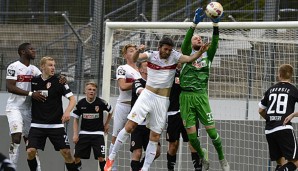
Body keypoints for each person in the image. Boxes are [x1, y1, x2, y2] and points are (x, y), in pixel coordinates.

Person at [104, 36, 210, 171]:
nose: (168, 52)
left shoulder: (174, 56)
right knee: (129, 126)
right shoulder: (151, 55)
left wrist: (200, 52)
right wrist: (138, 51)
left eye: (170, 50)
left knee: (154, 136)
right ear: (159, 47)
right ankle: (111, 157)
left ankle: (145, 168)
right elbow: (136, 58)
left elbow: (189, 59)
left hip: (162, 101)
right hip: (147, 96)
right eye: (165, 49)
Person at [179, 8, 230, 170]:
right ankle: (202, 154)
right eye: (196, 38)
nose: (199, 39)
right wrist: (194, 25)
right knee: (192, 137)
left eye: (200, 38)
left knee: (212, 133)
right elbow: (186, 42)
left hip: (201, 96)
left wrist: (216, 25)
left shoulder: (208, 55)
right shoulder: (186, 54)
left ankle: (222, 159)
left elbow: (215, 41)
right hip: (186, 97)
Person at [26, 56, 78, 171]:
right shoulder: (34, 81)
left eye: (54, 65)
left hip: (56, 125)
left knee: (67, 152)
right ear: (42, 67)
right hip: (37, 124)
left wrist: (67, 112)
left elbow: (72, 99)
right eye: (50, 65)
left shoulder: (59, 81)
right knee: (30, 151)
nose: (53, 68)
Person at [5, 43, 43, 170]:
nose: (34, 50)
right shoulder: (13, 66)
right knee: (16, 137)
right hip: (14, 108)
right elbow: (10, 87)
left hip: (28, 110)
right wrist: (31, 93)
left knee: (30, 142)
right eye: (31, 49)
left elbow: (46, 80)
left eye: (34, 48)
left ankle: (37, 168)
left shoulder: (34, 70)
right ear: (22, 52)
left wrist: (60, 80)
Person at [108, 43, 142, 171]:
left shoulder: (141, 70)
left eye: (135, 51)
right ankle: (112, 166)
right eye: (130, 51)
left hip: (137, 107)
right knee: (116, 136)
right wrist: (138, 83)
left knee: (137, 139)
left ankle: (138, 166)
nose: (133, 53)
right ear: (125, 54)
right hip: (123, 105)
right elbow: (122, 86)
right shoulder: (123, 68)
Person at [259, 64, 298, 171]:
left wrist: (270, 118)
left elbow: (261, 110)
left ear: (279, 75)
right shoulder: (294, 90)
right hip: (284, 129)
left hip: (269, 131)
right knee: (295, 162)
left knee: (281, 163)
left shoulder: (270, 90)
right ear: (291, 76)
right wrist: (293, 114)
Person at [166, 63, 202, 171]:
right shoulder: (170, 74)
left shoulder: (193, 73)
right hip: (173, 113)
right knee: (173, 145)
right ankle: (170, 168)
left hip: (190, 112)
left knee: (193, 142)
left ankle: (198, 168)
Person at [72, 82, 113, 171]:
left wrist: (107, 124)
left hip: (98, 134)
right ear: (85, 91)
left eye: (94, 90)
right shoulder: (80, 103)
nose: (92, 91)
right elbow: (75, 119)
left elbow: (111, 111)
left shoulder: (101, 102)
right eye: (89, 89)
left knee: (101, 158)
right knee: (76, 157)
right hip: (84, 133)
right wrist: (75, 134)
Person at [130, 59, 161, 171]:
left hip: (150, 125)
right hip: (137, 124)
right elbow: (141, 92)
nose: (149, 68)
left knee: (156, 151)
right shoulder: (137, 81)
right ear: (141, 69)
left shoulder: (156, 84)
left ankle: (140, 168)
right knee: (137, 153)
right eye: (146, 66)